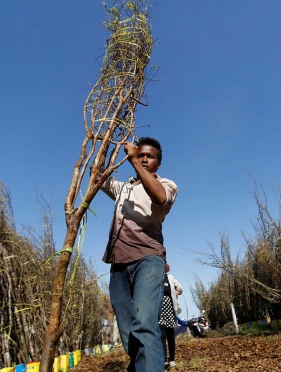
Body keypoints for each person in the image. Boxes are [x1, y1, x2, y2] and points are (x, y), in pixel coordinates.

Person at [100, 137, 178, 372]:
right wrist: (106, 144)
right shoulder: (124, 188)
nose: (144, 159)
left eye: (149, 156)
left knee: (144, 323)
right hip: (119, 264)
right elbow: (99, 176)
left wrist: (133, 160)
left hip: (148, 259)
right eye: (140, 154)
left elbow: (160, 198)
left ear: (158, 163)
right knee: (127, 330)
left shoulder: (166, 185)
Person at [159, 263, 183, 369]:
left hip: (170, 308)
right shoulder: (155, 278)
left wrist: (177, 292)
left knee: (170, 335)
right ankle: (164, 360)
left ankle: (172, 359)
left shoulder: (170, 278)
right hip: (159, 310)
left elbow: (180, 287)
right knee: (162, 335)